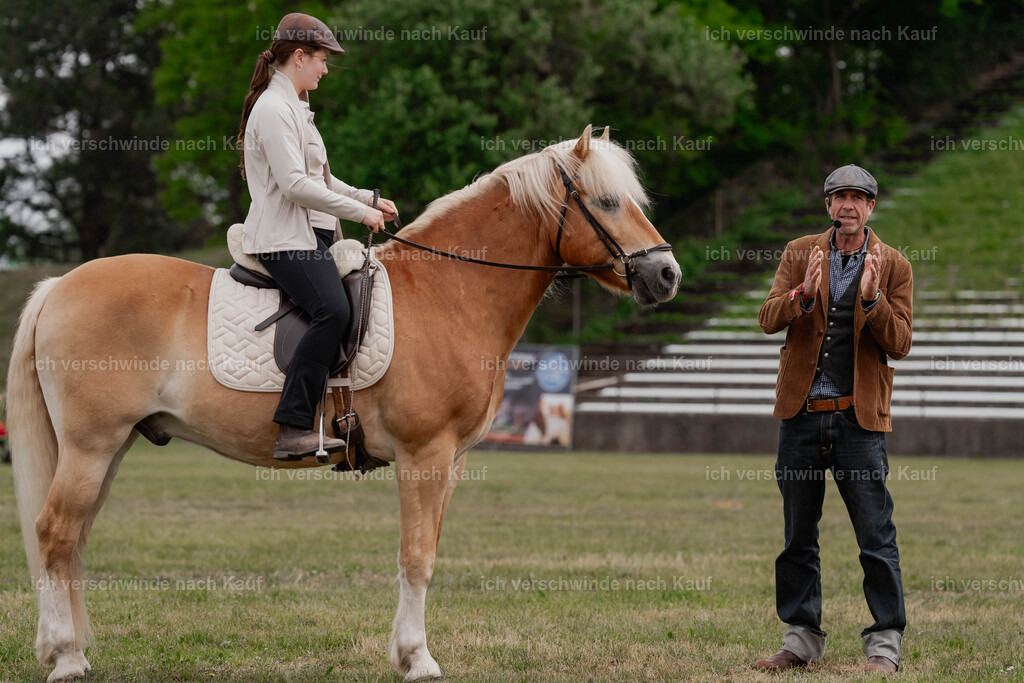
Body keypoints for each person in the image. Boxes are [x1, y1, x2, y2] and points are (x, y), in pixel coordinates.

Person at [754, 165, 913, 674]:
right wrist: (801, 295)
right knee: (798, 537)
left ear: (871, 207)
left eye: (857, 197)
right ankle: (800, 640)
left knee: (875, 538)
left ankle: (884, 643)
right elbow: (766, 318)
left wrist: (872, 299)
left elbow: (901, 342)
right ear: (828, 205)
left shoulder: (896, 267)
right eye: (839, 196)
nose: (847, 204)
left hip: (859, 423)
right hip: (801, 417)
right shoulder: (800, 251)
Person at [237, 12, 398, 460]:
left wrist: (369, 197)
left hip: (309, 236)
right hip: (282, 239)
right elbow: (295, 186)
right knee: (332, 310)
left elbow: (321, 179)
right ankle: (292, 427)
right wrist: (361, 212)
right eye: (323, 60)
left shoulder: (297, 110)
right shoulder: (273, 109)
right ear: (299, 56)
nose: (326, 69)